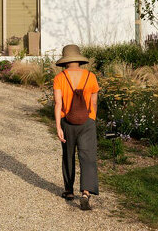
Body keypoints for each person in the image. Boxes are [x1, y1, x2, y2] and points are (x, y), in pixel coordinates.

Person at [53, 44, 100, 210]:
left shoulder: (60, 78)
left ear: (65, 62)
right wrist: (92, 118)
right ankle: (86, 192)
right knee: (88, 157)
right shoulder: (91, 76)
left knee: (68, 155)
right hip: (87, 122)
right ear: (79, 60)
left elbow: (58, 103)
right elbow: (93, 102)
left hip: (67, 122)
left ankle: (69, 190)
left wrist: (58, 126)